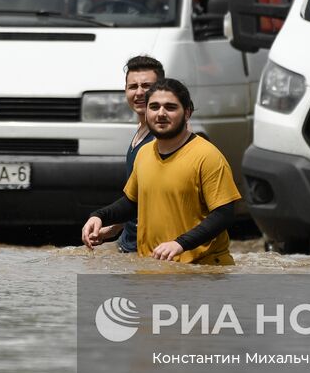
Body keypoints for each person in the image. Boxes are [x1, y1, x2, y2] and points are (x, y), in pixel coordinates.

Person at [81, 78, 242, 265]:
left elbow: (224, 213)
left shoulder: (208, 156)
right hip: (153, 268)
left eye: (170, 107)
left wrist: (180, 244)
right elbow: (132, 203)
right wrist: (99, 216)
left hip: (202, 271)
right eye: (154, 107)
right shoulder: (144, 153)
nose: (161, 114)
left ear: (187, 112)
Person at [91, 55, 164, 252]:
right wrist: (113, 229)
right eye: (133, 87)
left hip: (146, 251)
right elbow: (138, 198)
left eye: (147, 86)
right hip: (126, 243)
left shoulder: (163, 140)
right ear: (125, 91)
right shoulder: (140, 132)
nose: (139, 92)